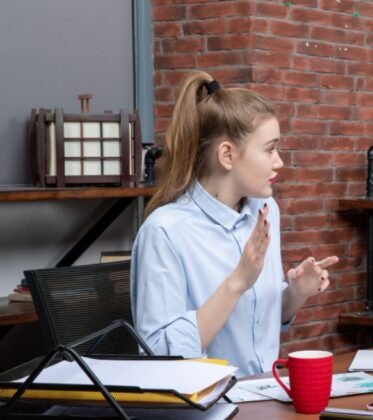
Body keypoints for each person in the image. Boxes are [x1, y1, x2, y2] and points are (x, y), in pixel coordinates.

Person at [131, 71, 339, 377]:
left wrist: (296, 292)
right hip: (204, 409)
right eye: (269, 149)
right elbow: (162, 356)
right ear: (227, 155)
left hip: (265, 394)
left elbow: (259, 317)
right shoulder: (165, 232)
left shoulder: (266, 211)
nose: (279, 162)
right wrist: (238, 281)